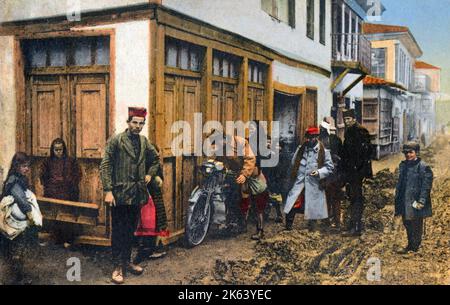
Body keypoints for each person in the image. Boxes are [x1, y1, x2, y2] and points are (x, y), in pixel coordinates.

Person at [100, 107, 162, 284]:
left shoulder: (144, 141)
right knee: (119, 232)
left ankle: (127, 262)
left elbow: (156, 159)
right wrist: (108, 190)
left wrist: (150, 173)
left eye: (141, 123)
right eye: (134, 122)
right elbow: (105, 165)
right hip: (119, 195)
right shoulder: (116, 141)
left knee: (130, 231)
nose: (138, 126)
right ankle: (117, 267)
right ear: (128, 122)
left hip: (136, 195)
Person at [0, 152, 41, 284]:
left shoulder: (20, 178)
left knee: (20, 249)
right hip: (13, 222)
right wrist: (31, 215)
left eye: (28, 166)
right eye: (23, 166)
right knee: (16, 249)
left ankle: (19, 276)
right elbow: (21, 199)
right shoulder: (14, 180)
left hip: (17, 221)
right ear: (17, 166)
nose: (26, 169)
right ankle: (15, 278)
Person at [284, 127, 334, 231]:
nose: (308, 140)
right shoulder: (301, 149)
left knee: (313, 205)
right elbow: (293, 164)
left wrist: (319, 172)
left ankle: (312, 229)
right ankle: (288, 227)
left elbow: (329, 168)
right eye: (307, 138)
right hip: (300, 182)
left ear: (316, 137)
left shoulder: (323, 151)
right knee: (292, 202)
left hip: (314, 184)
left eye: (311, 138)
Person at [210, 129, 256, 234]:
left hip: (249, 172)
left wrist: (244, 174)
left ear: (224, 139)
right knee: (229, 197)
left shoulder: (240, 142)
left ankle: (242, 224)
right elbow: (219, 160)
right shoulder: (221, 146)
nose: (216, 145)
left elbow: (250, 159)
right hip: (233, 173)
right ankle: (230, 222)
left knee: (242, 196)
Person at [40, 138, 81, 245]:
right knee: (54, 216)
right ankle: (55, 238)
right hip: (52, 193)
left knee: (67, 216)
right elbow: (43, 177)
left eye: (60, 149)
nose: (58, 152)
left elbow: (77, 175)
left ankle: (67, 240)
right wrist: (50, 185)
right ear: (52, 150)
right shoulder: (47, 162)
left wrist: (69, 183)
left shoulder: (71, 161)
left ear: (64, 149)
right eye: (56, 150)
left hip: (67, 193)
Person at [394, 142, 433, 254]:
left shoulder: (423, 167)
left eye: (411, 152)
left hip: (415, 200)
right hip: (404, 199)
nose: (408, 155)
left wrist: (422, 201)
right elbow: (401, 183)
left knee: (416, 223)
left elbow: (426, 187)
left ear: (416, 153)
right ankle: (410, 244)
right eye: (406, 153)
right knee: (407, 222)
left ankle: (414, 246)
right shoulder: (403, 165)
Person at [341, 109, 373, 237]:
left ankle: (356, 228)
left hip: (357, 172)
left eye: (349, 119)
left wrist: (364, 173)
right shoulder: (349, 132)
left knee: (356, 199)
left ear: (354, 119)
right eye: (345, 119)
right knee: (351, 198)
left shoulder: (360, 131)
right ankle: (353, 225)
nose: (347, 121)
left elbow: (366, 154)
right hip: (350, 171)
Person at [244, 121, 270, 240]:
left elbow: (258, 163)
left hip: (256, 176)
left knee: (258, 208)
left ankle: (260, 231)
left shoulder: (259, 144)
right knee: (253, 205)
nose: (251, 130)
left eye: (253, 129)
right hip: (254, 175)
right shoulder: (250, 142)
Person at [319, 117, 344, 229]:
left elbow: (341, 157)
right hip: (328, 173)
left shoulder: (334, 141)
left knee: (332, 197)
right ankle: (330, 220)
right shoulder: (322, 141)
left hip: (333, 174)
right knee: (328, 197)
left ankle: (335, 221)